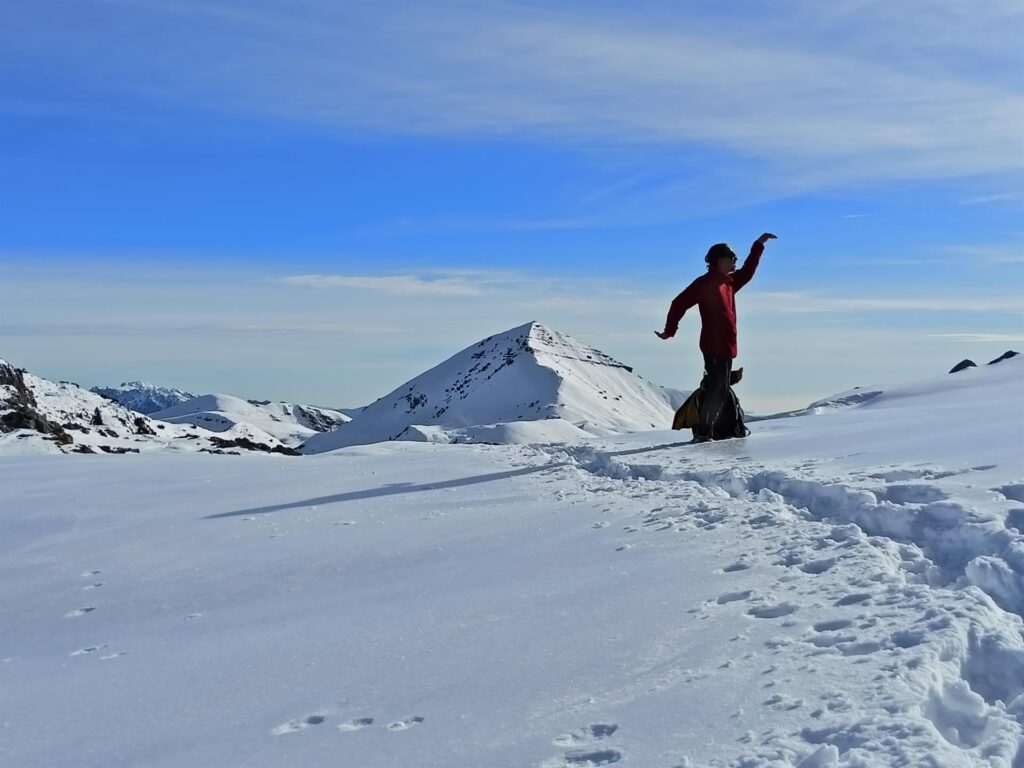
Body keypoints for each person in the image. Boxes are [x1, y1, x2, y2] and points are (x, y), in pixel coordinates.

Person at [655, 232, 777, 441]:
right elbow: (679, 303)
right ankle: (703, 433)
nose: (735, 262)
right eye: (732, 258)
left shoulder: (728, 283)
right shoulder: (706, 283)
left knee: (720, 387)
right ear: (720, 260)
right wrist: (670, 330)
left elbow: (748, 272)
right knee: (717, 390)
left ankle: (717, 430)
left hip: (727, 346)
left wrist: (758, 245)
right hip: (713, 345)